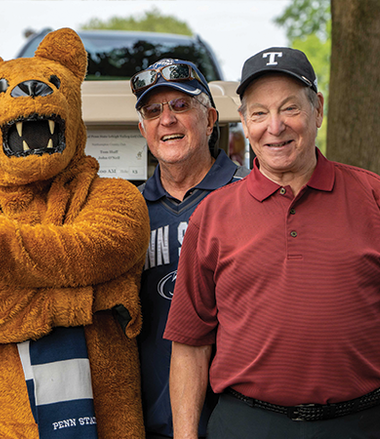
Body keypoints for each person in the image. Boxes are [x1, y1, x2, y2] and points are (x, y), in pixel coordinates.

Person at [164, 47, 380, 439]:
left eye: (290, 109)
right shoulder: (213, 214)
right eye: (259, 113)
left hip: (361, 424)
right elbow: (190, 342)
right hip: (244, 425)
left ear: (318, 110)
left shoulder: (374, 196)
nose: (274, 127)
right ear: (244, 121)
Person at [130, 59, 248, 439]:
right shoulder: (129, 213)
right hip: (152, 421)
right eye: (153, 110)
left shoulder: (250, 196)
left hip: (240, 421)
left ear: (210, 119)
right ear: (142, 128)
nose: (167, 120)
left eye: (181, 106)